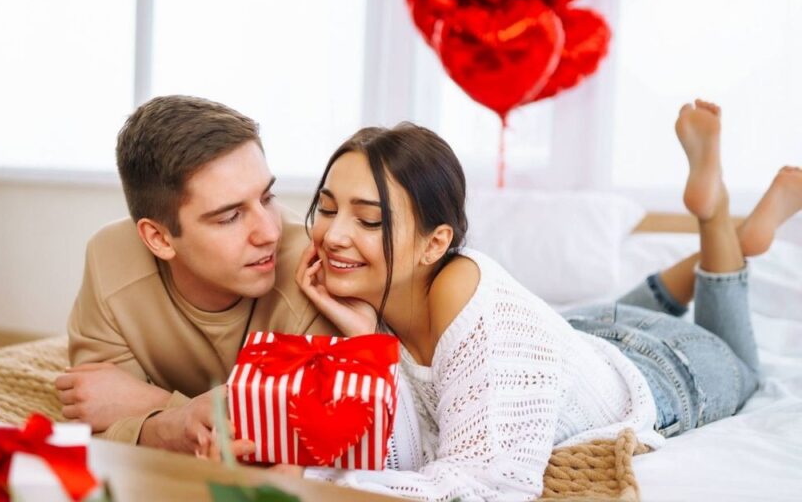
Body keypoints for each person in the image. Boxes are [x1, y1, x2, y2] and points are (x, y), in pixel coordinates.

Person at [279, 100, 801, 499]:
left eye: (368, 219)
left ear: (435, 243)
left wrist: (317, 491)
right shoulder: (370, 303)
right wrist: (366, 343)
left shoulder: (470, 298)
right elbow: (403, 451)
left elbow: (486, 483)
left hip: (668, 369)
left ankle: (720, 224)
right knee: (615, 309)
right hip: (587, 330)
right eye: (325, 208)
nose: (332, 235)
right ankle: (731, 239)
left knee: (743, 366)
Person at [54, 95, 337, 454]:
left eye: (267, 198)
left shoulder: (310, 272)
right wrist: (180, 418)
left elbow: (299, 440)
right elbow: (97, 420)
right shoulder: (110, 261)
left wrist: (155, 408)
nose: (269, 232)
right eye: (230, 217)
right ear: (158, 238)